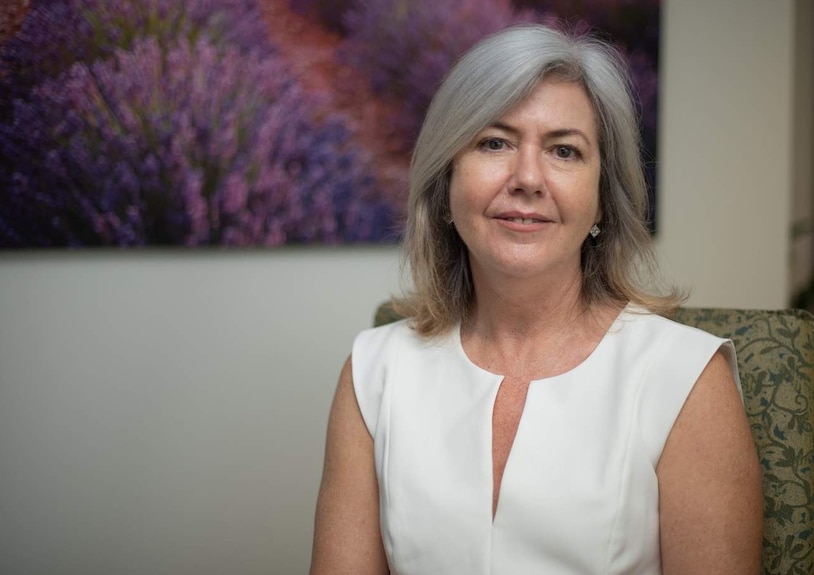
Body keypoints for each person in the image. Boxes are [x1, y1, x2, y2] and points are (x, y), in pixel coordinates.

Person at [309, 24, 762, 575]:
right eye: (494, 142)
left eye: (564, 151)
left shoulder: (687, 378)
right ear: (446, 183)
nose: (527, 177)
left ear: (602, 200)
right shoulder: (373, 371)